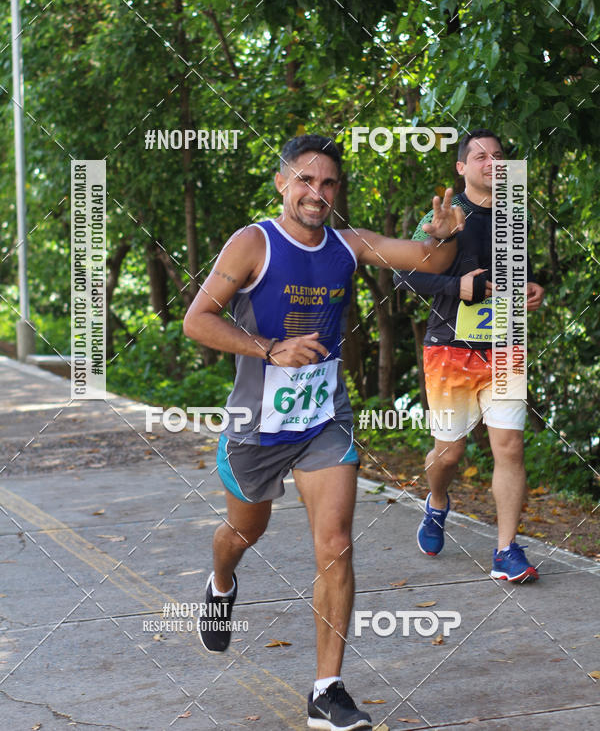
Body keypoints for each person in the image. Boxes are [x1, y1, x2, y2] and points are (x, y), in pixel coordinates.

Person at [183, 134, 465, 731]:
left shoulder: (347, 243)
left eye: (329, 183)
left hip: (324, 419)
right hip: (258, 424)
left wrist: (443, 236)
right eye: (306, 180)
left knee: (335, 543)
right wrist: (268, 349)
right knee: (243, 530)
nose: (318, 192)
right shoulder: (253, 243)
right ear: (283, 183)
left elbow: (430, 261)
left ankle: (326, 691)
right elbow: (197, 320)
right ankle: (221, 581)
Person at [394, 129, 545, 583]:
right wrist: (455, 287)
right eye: (479, 156)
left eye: (498, 156)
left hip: (505, 346)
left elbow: (517, 275)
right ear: (461, 168)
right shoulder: (443, 216)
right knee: (450, 453)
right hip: (450, 350)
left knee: (510, 448)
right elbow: (405, 277)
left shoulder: (515, 215)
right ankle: (437, 501)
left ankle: (505, 551)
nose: (491, 162)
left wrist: (532, 289)